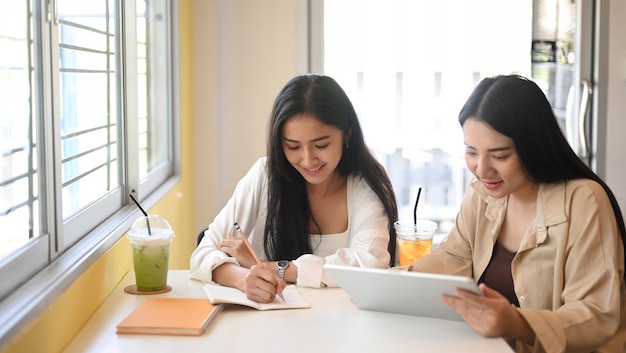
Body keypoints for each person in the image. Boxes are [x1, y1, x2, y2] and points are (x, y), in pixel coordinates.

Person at [409, 75, 626, 352]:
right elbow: (455, 256)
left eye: (499, 156)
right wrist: (397, 281)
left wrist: (518, 323)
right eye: (471, 152)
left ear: (533, 146)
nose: (482, 169)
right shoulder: (482, 192)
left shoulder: (583, 200)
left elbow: (596, 314)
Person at [189, 74, 398, 303]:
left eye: (321, 145)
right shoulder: (265, 175)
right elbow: (203, 253)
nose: (308, 160)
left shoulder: (366, 185)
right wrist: (243, 278)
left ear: (347, 133)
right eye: (293, 146)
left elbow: (370, 264)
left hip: (344, 327)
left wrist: (274, 268)